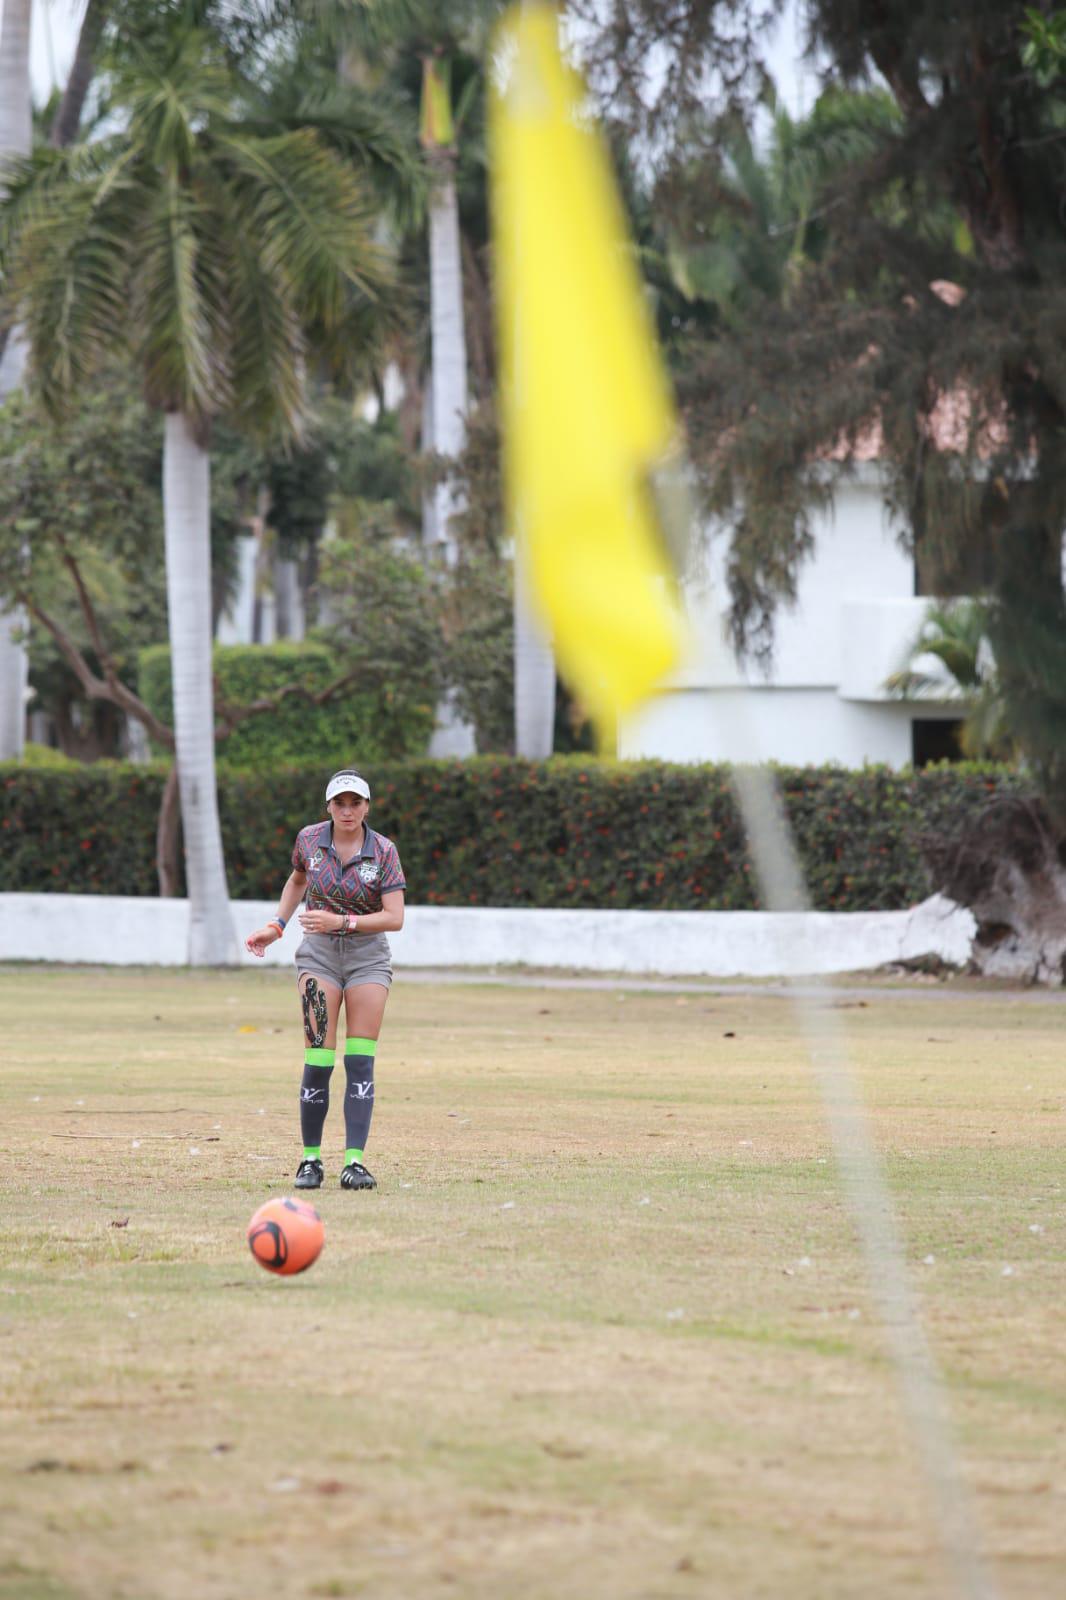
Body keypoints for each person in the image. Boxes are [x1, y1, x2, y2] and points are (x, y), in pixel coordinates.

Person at [245, 769, 405, 1192]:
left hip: (368, 958)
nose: (347, 811)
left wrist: (342, 922)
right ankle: (310, 1160)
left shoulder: (384, 851)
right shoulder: (309, 840)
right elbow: (297, 879)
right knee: (318, 1058)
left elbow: (395, 917)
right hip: (318, 957)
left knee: (360, 1060)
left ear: (367, 807)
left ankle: (354, 1163)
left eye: (356, 803)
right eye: (340, 803)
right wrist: (276, 926)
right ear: (329, 806)